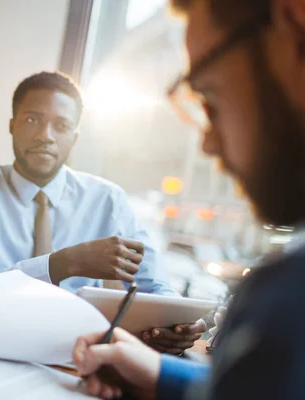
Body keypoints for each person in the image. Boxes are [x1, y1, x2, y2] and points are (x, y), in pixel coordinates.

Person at [71, 0, 305, 398]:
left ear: (293, 20)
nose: (209, 142)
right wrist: (159, 373)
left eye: (209, 98)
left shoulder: (287, 302)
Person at [0, 71, 206, 355]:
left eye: (61, 125)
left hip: (80, 351)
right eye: (32, 120)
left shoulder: (108, 200)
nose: (45, 136)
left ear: (75, 137)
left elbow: (154, 285)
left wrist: (178, 322)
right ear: (12, 125)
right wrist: (61, 264)